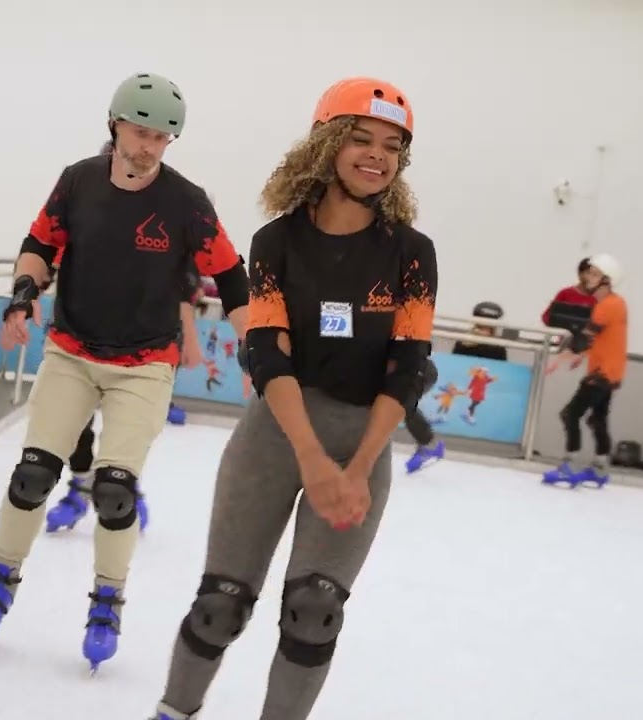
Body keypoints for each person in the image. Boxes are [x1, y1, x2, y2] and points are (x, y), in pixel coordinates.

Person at [149, 76, 436, 720]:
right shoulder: (276, 242)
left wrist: (357, 469)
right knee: (220, 604)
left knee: (314, 612)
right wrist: (311, 456)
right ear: (327, 144)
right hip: (277, 438)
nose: (377, 155)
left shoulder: (412, 253)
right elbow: (267, 354)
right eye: (361, 138)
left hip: (363, 443)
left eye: (393, 145)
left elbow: (408, 366)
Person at [0, 72, 251, 673]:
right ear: (114, 125)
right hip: (71, 351)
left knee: (115, 490)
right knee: (32, 476)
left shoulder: (187, 203)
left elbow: (231, 274)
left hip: (145, 365)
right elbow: (40, 243)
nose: (148, 147)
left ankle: (107, 599)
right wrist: (21, 293)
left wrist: (256, 342)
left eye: (162, 138)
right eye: (140, 132)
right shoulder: (78, 182)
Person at [43, 264, 206, 533]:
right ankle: (82, 482)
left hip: (148, 338)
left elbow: (187, 277)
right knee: (74, 419)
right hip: (89, 328)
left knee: (128, 427)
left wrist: (188, 330)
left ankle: (122, 482)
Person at [541, 253, 628, 488]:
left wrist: (560, 359)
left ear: (607, 280)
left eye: (595, 274)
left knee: (570, 414)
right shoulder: (614, 303)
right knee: (597, 418)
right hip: (610, 371)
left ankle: (569, 464)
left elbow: (586, 339)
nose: (588, 278)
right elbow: (599, 340)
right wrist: (577, 355)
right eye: (589, 272)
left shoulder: (607, 306)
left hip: (601, 373)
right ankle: (600, 468)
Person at [404, 358, 444, 473]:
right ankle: (428, 444)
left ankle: (429, 445)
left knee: (404, 404)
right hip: (413, 369)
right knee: (403, 405)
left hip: (418, 371)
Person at [541, 258, 597, 332]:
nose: (591, 277)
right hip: (566, 340)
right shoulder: (565, 293)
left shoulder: (599, 298)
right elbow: (546, 317)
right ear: (580, 274)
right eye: (588, 273)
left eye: (595, 274)